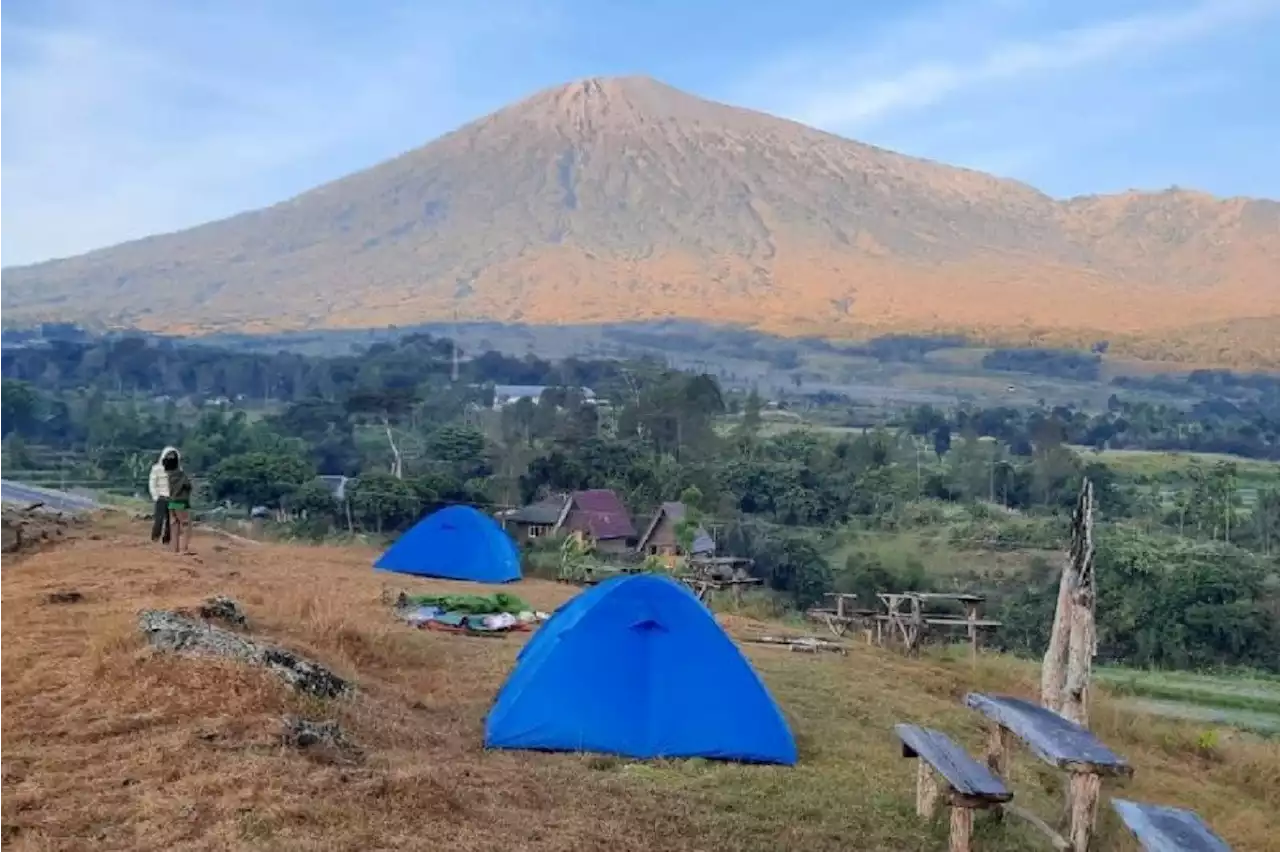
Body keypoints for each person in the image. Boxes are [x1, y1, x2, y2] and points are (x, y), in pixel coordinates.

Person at [164, 451, 194, 554]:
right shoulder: (181, 475)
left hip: (171, 502)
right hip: (181, 502)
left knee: (174, 526)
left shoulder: (169, 475)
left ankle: (174, 549)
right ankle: (184, 549)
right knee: (185, 524)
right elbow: (188, 486)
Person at [149, 447, 179, 545]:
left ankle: (167, 540)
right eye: (169, 456)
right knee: (159, 519)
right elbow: (152, 483)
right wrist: (155, 496)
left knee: (171, 521)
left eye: (172, 456)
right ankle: (155, 538)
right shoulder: (156, 468)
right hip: (161, 497)